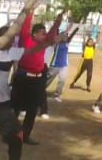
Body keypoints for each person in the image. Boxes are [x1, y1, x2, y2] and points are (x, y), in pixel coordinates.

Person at [0, 25, 62, 160]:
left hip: (2, 105)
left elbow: (33, 49)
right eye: (10, 39)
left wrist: (51, 41)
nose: (13, 42)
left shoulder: (11, 52)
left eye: (13, 39)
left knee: (16, 137)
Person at [11, 10, 64, 145]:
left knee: (32, 110)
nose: (45, 35)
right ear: (34, 34)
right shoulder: (26, 39)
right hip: (23, 78)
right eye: (42, 33)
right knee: (16, 108)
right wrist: (31, 10)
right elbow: (25, 27)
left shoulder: (44, 42)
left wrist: (58, 21)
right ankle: (11, 134)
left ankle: (25, 135)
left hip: (36, 80)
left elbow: (52, 32)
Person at [45, 24, 79, 102]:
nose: (66, 37)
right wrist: (66, 30)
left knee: (62, 80)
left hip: (64, 65)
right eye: (64, 35)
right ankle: (39, 91)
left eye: (66, 36)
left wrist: (76, 29)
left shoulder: (66, 43)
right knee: (48, 79)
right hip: (55, 64)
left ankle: (57, 95)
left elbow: (71, 37)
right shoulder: (56, 44)